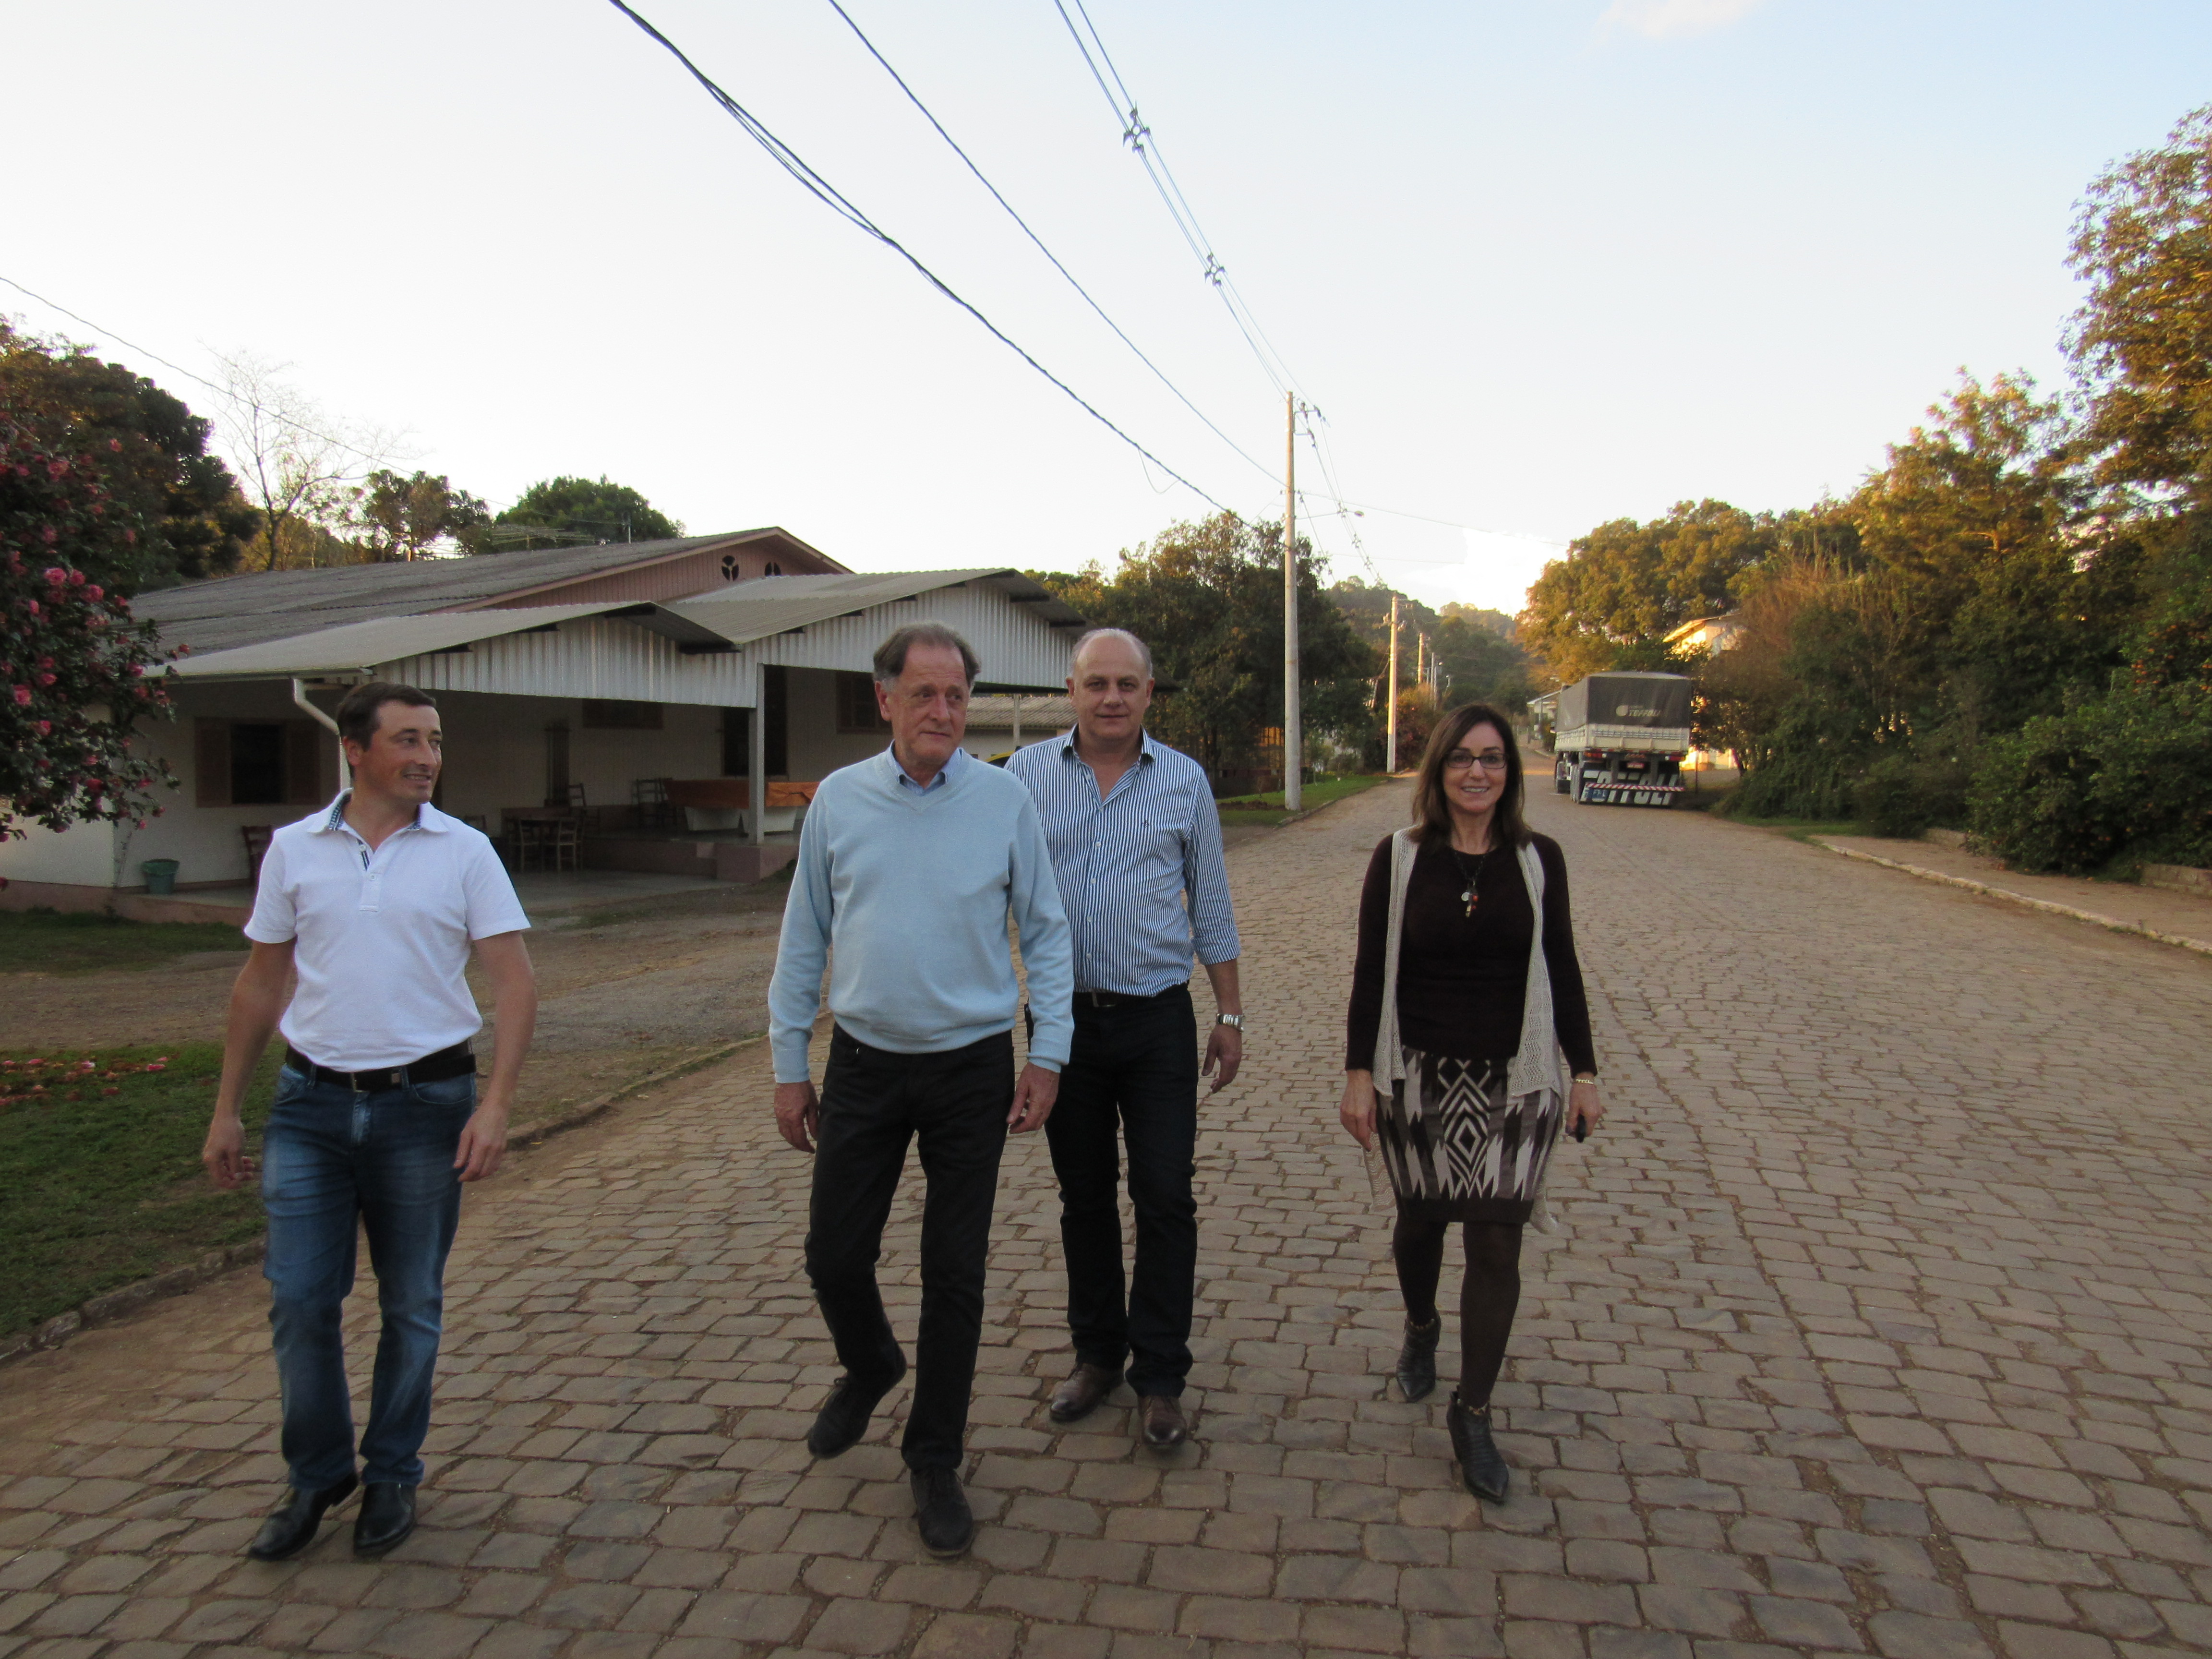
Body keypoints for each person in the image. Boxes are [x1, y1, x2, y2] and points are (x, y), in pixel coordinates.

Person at [202, 682, 537, 1561]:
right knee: (300, 1301)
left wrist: (496, 1104)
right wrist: (227, 1110)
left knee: (412, 1304)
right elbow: (262, 982)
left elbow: (514, 984)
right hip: (309, 1107)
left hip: (426, 1108)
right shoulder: (294, 851)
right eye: (408, 740)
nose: (428, 756)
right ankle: (317, 1474)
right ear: (355, 750)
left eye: (434, 741)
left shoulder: (465, 852)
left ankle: (391, 1470)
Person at [769, 623, 1075, 1558]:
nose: (942, 710)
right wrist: (790, 1063)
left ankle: (933, 1457)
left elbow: (1049, 933)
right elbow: (804, 938)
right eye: (925, 692)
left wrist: (1047, 1052)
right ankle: (870, 1366)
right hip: (861, 1066)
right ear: (885, 699)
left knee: (955, 1274)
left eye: (956, 695)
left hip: (970, 1069)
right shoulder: (839, 805)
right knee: (833, 1255)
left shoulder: (1003, 802)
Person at [1339, 702, 1601, 1504]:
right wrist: (1358, 1074)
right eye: (1461, 759)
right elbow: (1370, 969)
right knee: (1421, 1223)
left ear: (1510, 772)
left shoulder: (1538, 859)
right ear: (1439, 771)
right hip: (1416, 1071)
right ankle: (1422, 1327)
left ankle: (1473, 1410)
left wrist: (1584, 1073)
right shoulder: (1401, 857)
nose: (1477, 772)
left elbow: (1561, 965)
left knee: (1495, 1244)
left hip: (1515, 1080)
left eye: (1492, 759)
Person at [1005, 628, 1242, 1450]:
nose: (1112, 698)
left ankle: (1163, 1376)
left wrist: (1231, 1016)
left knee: (1166, 1194)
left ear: (1149, 693)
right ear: (1070, 690)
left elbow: (1210, 901)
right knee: (1085, 1199)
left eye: (1127, 684)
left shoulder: (1184, 781)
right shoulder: (1026, 778)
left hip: (1156, 1022)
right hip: (1062, 1028)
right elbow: (986, 888)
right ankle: (1099, 1357)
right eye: (1096, 683)